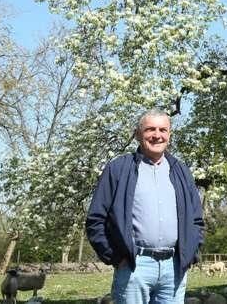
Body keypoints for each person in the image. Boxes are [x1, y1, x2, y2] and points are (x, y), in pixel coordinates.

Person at [86, 108, 204, 304]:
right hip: (134, 266)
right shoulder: (118, 169)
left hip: (173, 267)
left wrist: (190, 254)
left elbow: (196, 220)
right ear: (138, 134)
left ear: (169, 135)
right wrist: (115, 257)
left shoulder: (181, 171)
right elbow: (95, 220)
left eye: (162, 130)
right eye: (150, 129)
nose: (157, 135)